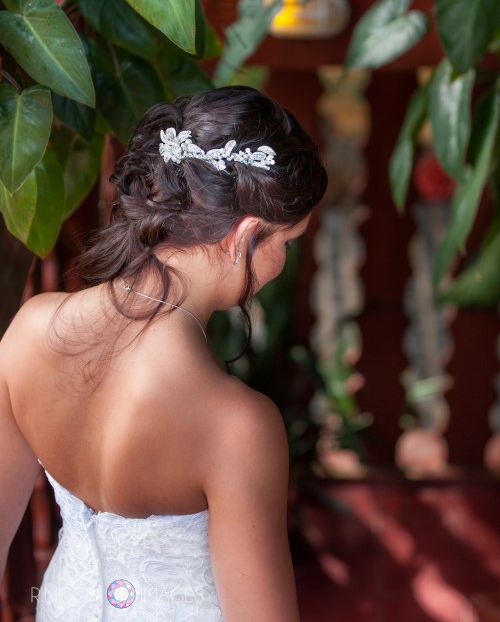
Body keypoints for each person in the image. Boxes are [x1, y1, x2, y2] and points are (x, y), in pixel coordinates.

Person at [0, 85, 327, 621]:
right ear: (242, 237)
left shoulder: (30, 330)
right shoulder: (235, 425)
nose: (281, 264)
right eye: (285, 242)